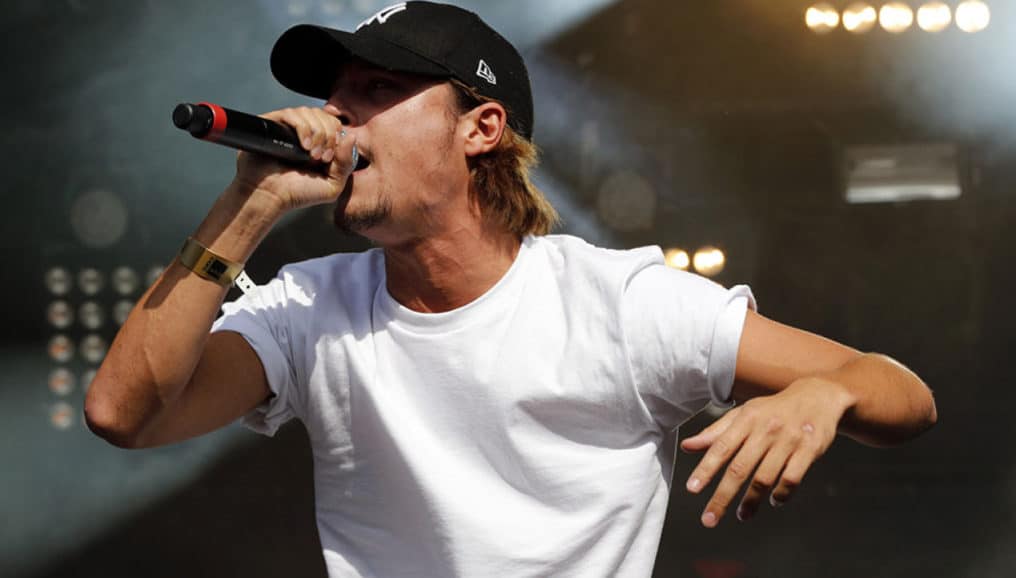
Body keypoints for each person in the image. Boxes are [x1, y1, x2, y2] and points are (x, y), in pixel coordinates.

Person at [85, 2, 937, 576]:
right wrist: (248, 204)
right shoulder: (308, 308)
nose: (340, 117)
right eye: (335, 97)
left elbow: (903, 395)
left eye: (377, 91)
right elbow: (126, 415)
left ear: (481, 127)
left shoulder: (617, 303)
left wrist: (825, 393)